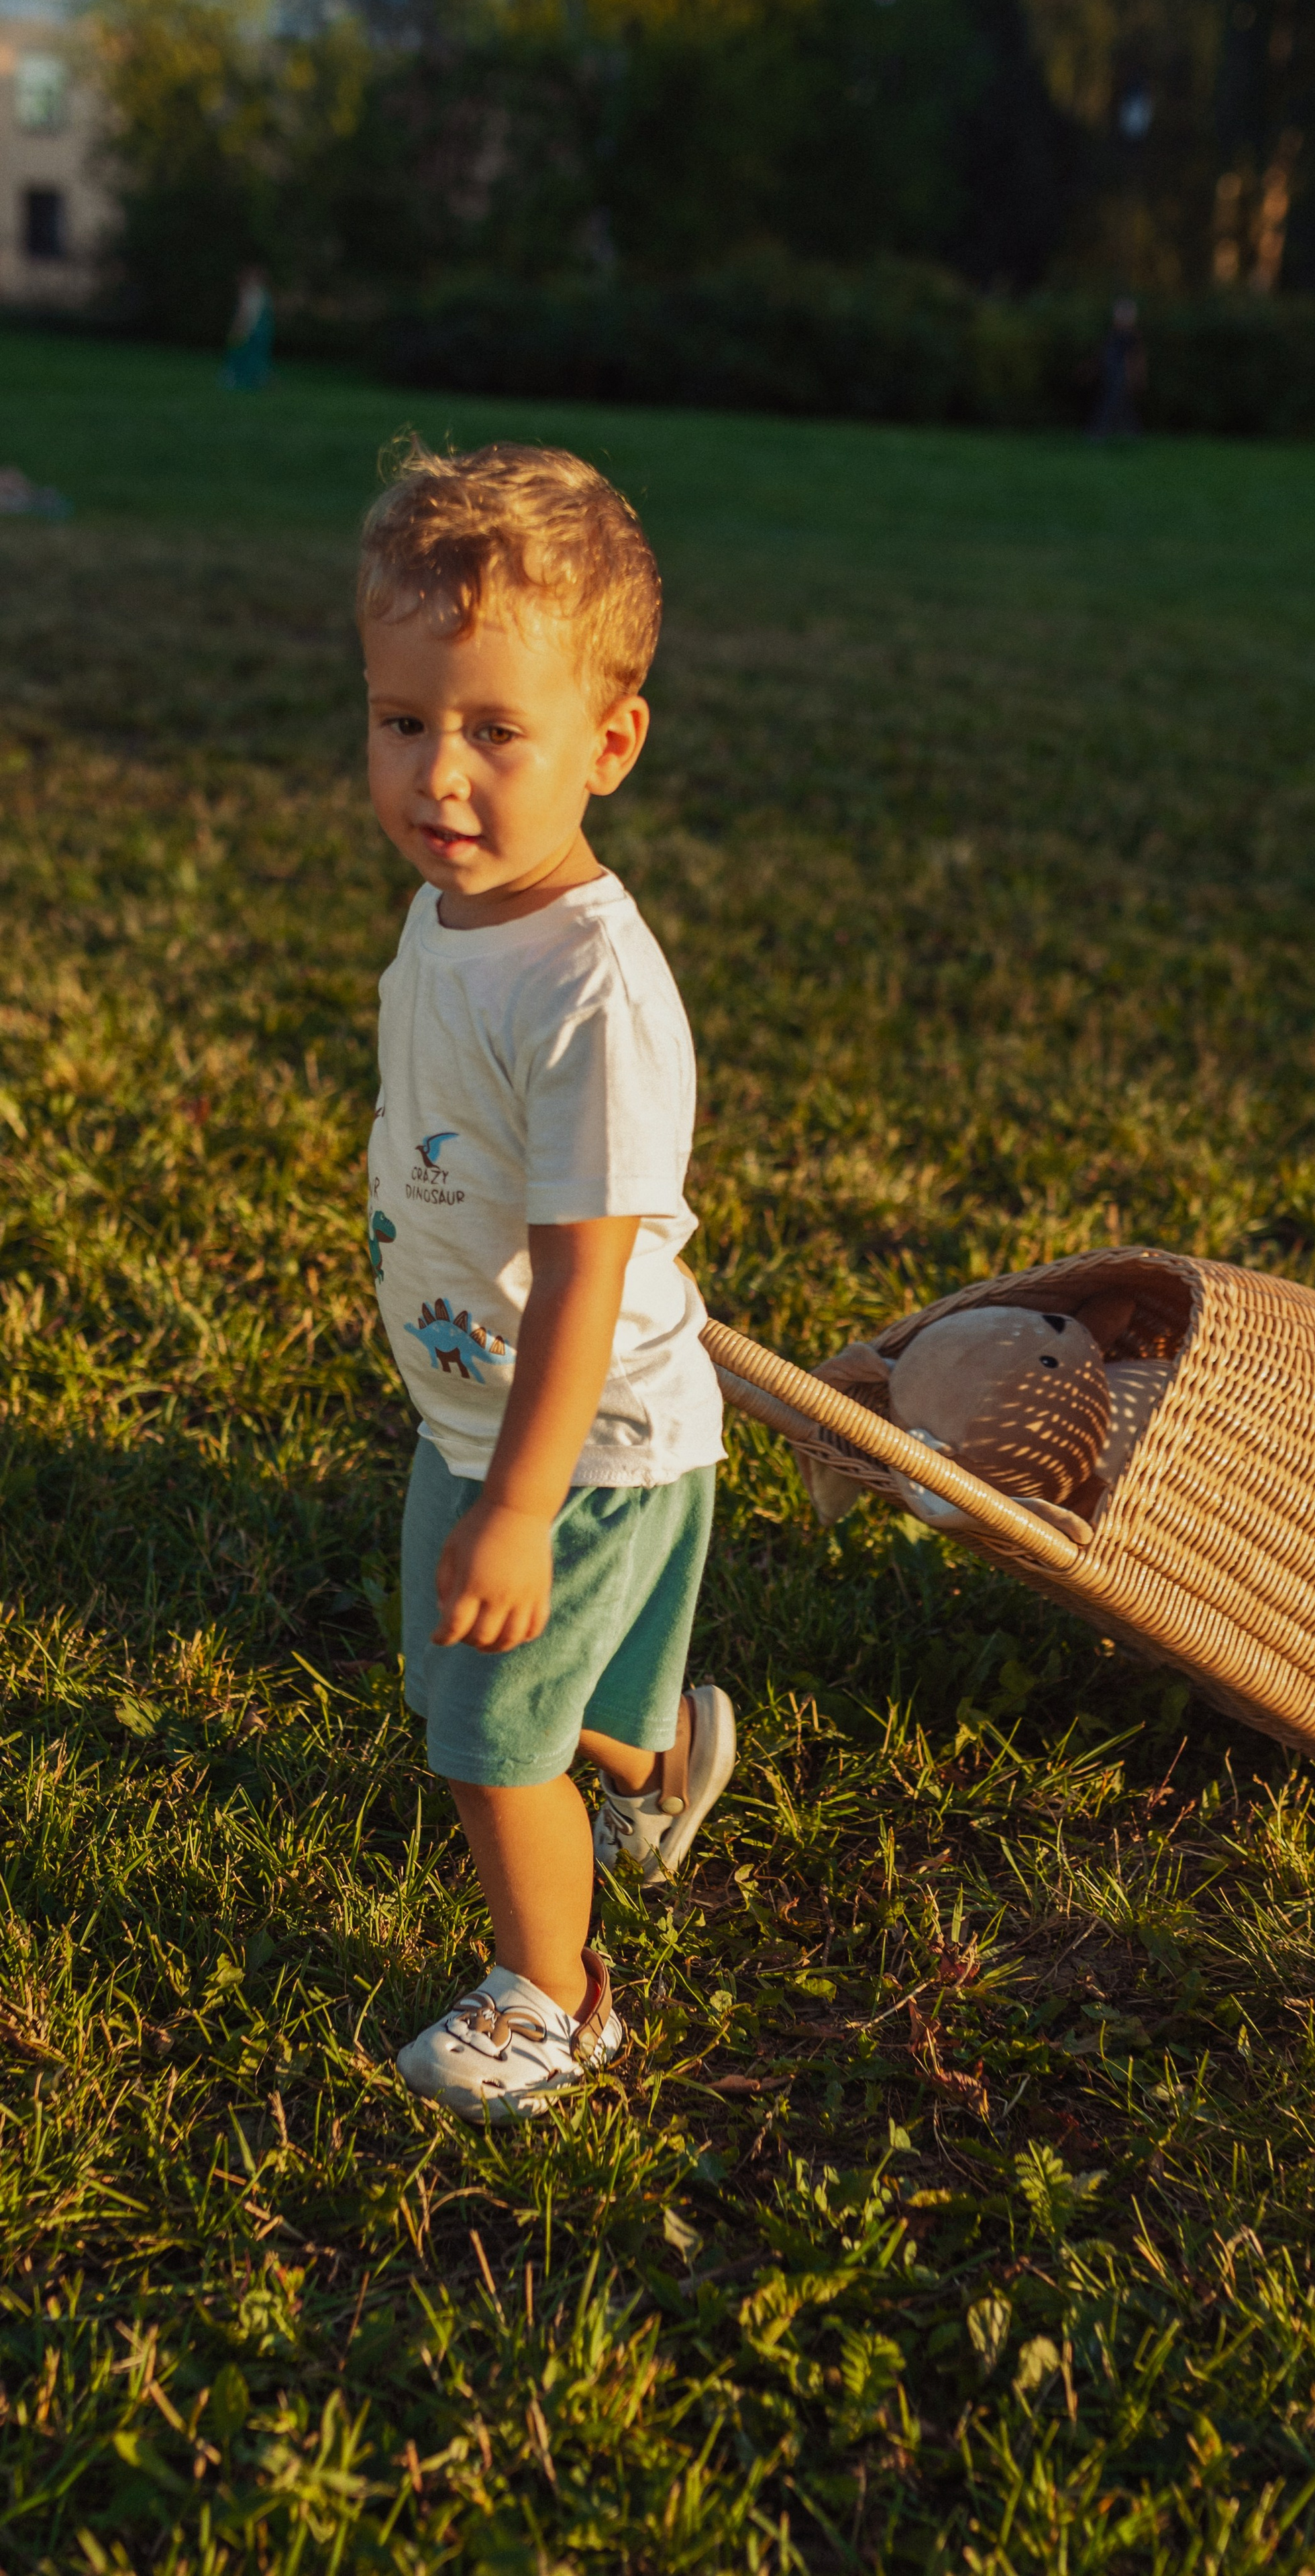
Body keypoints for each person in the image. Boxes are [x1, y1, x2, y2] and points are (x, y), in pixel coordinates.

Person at [359, 439, 735, 2123]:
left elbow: (587, 1276)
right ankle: (662, 1763)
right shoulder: (455, 915)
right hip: (477, 1411)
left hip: (572, 1441)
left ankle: (555, 1996)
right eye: (402, 720)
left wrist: (520, 1501)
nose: (440, 774)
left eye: (494, 731)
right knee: (471, 1667)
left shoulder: (588, 989)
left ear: (610, 740)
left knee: (487, 1737)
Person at [1089, 296, 1145, 439]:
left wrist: (1135, 375)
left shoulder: (1131, 336)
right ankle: (1129, 433)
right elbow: (1103, 353)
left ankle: (1101, 432)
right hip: (1111, 374)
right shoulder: (1114, 334)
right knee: (1119, 403)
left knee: (1114, 403)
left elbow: (1136, 357)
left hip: (1121, 375)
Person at [221, 267, 274, 392]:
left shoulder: (254, 294)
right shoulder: (257, 293)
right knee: (245, 355)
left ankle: (244, 379)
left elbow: (245, 313)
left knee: (244, 355)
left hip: (252, 330)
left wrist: (239, 327)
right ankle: (252, 379)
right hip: (255, 330)